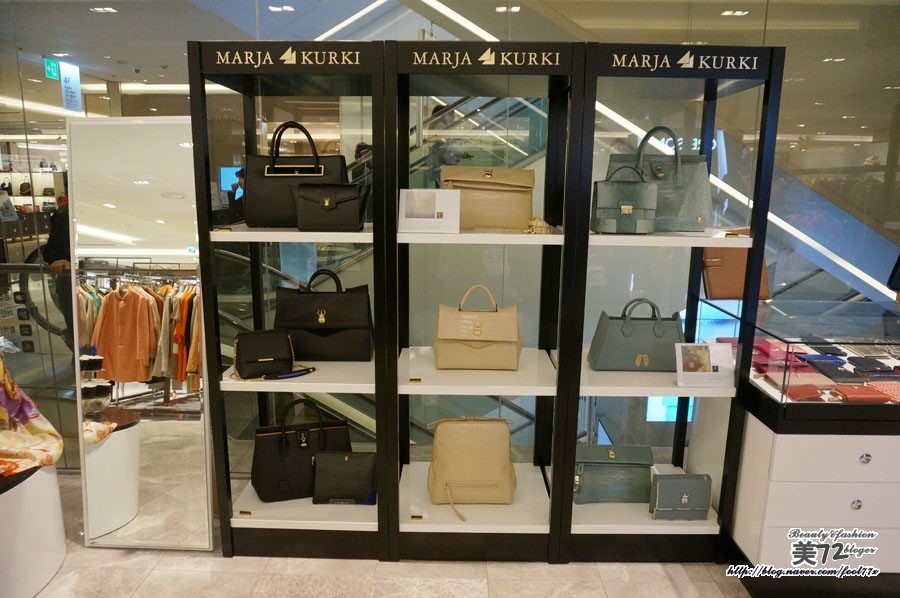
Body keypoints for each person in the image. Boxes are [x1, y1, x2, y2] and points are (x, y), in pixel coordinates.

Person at [42, 193, 74, 351]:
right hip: (70, 278)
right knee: (77, 325)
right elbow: (51, 250)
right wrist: (61, 259)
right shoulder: (65, 213)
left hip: (83, 276)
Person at [427, 105, 472, 188]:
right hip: (443, 163)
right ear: (443, 115)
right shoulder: (442, 126)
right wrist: (463, 153)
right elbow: (448, 146)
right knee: (445, 187)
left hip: (437, 162)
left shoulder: (434, 126)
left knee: (439, 187)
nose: (453, 117)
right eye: (450, 114)